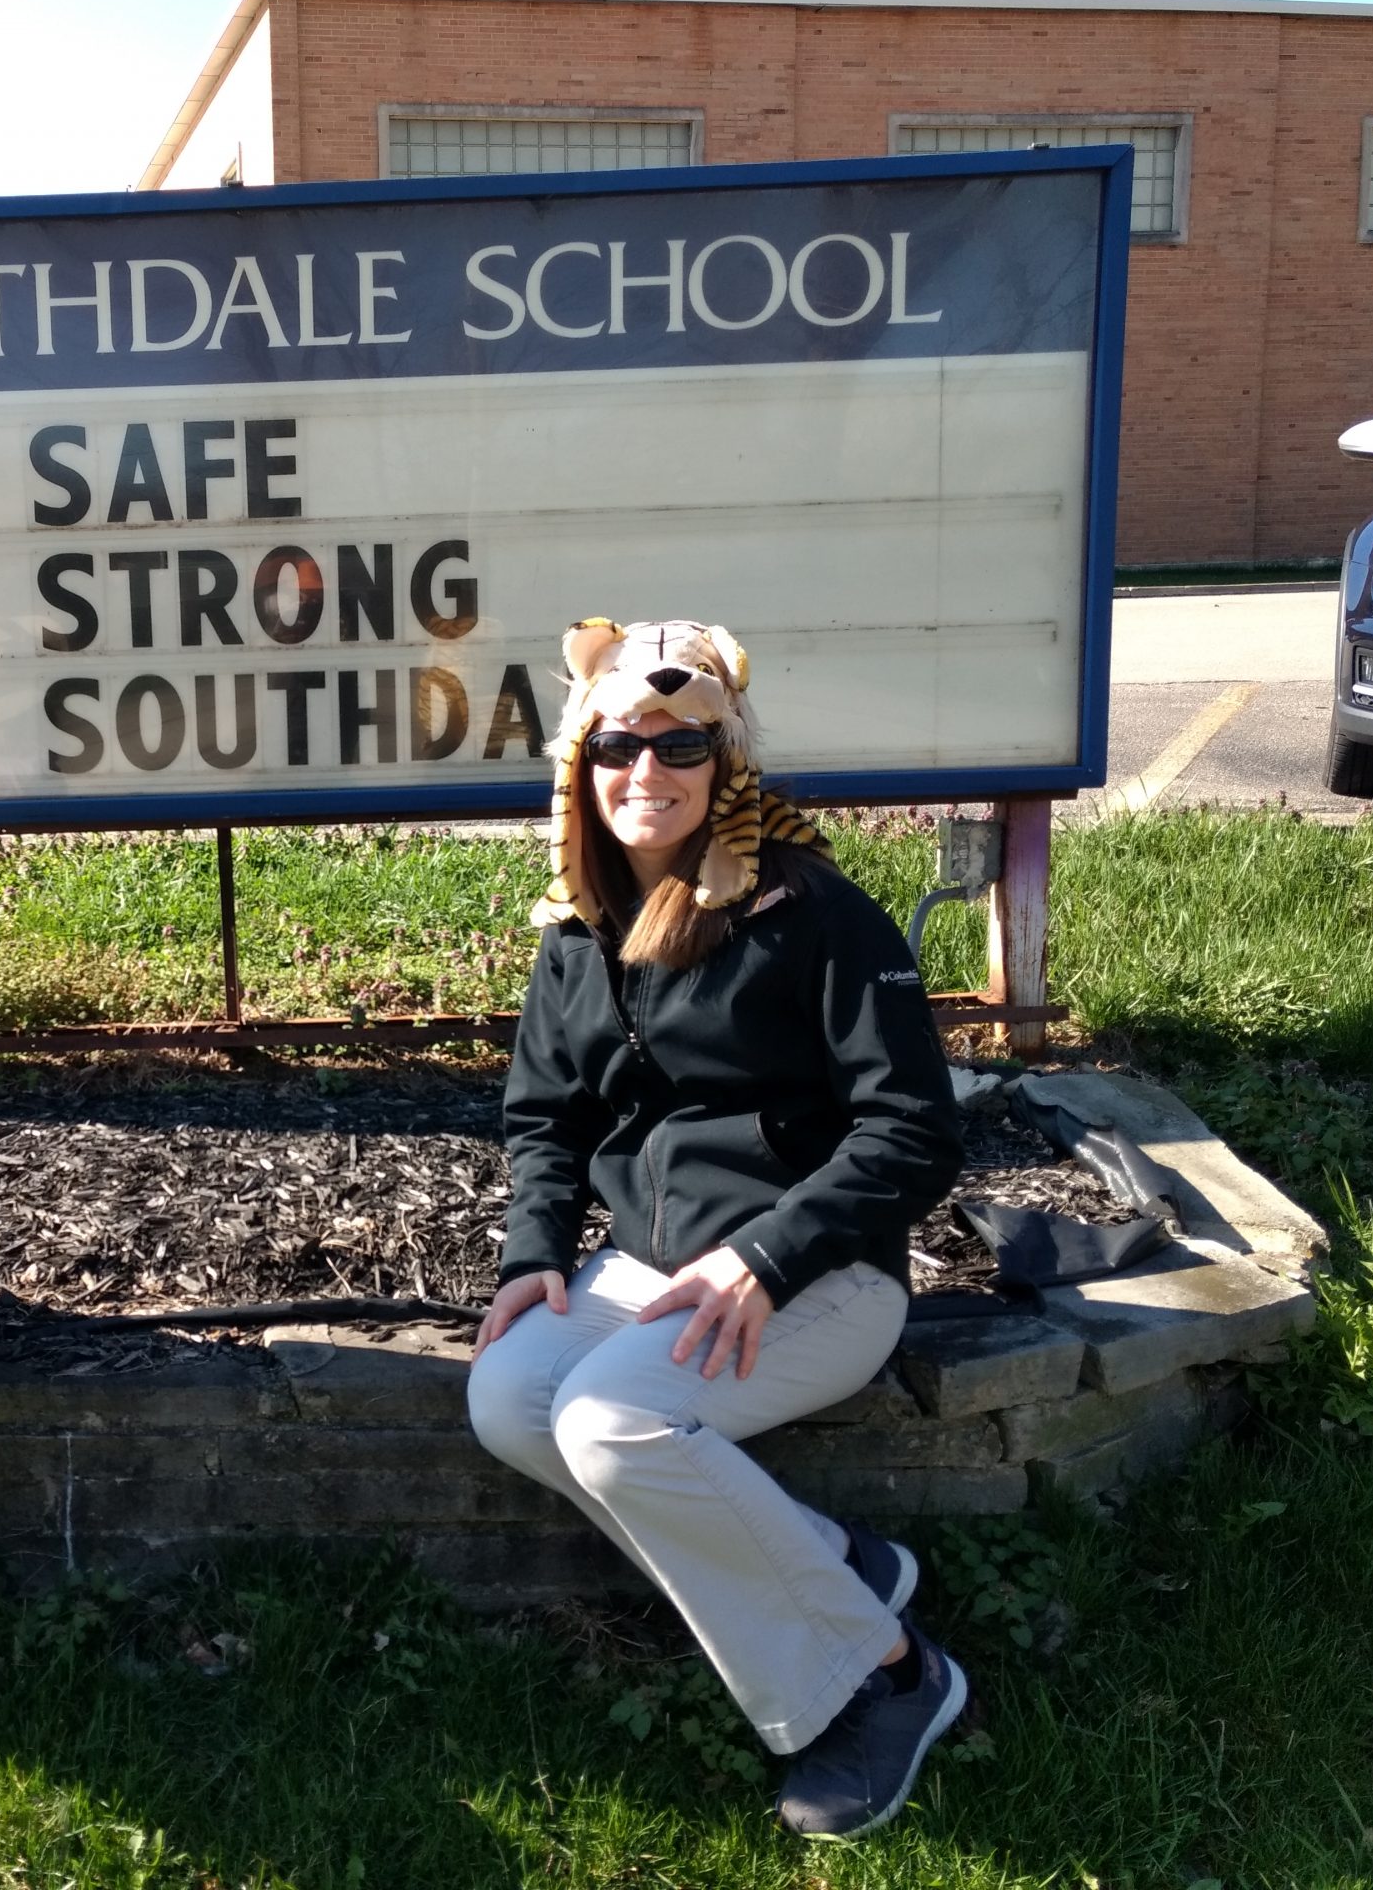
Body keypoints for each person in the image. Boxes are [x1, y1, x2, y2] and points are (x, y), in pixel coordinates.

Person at [467, 617, 968, 1840]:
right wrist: (536, 1254)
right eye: (616, 749)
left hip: (819, 1275)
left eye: (679, 745)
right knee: (510, 1401)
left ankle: (886, 1676)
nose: (646, 774)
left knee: (611, 1421)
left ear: (723, 761)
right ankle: (834, 1564)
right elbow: (545, 1121)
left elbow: (912, 1134)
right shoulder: (576, 931)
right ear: (576, 769)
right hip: (649, 1267)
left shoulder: (813, 915)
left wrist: (765, 1254)